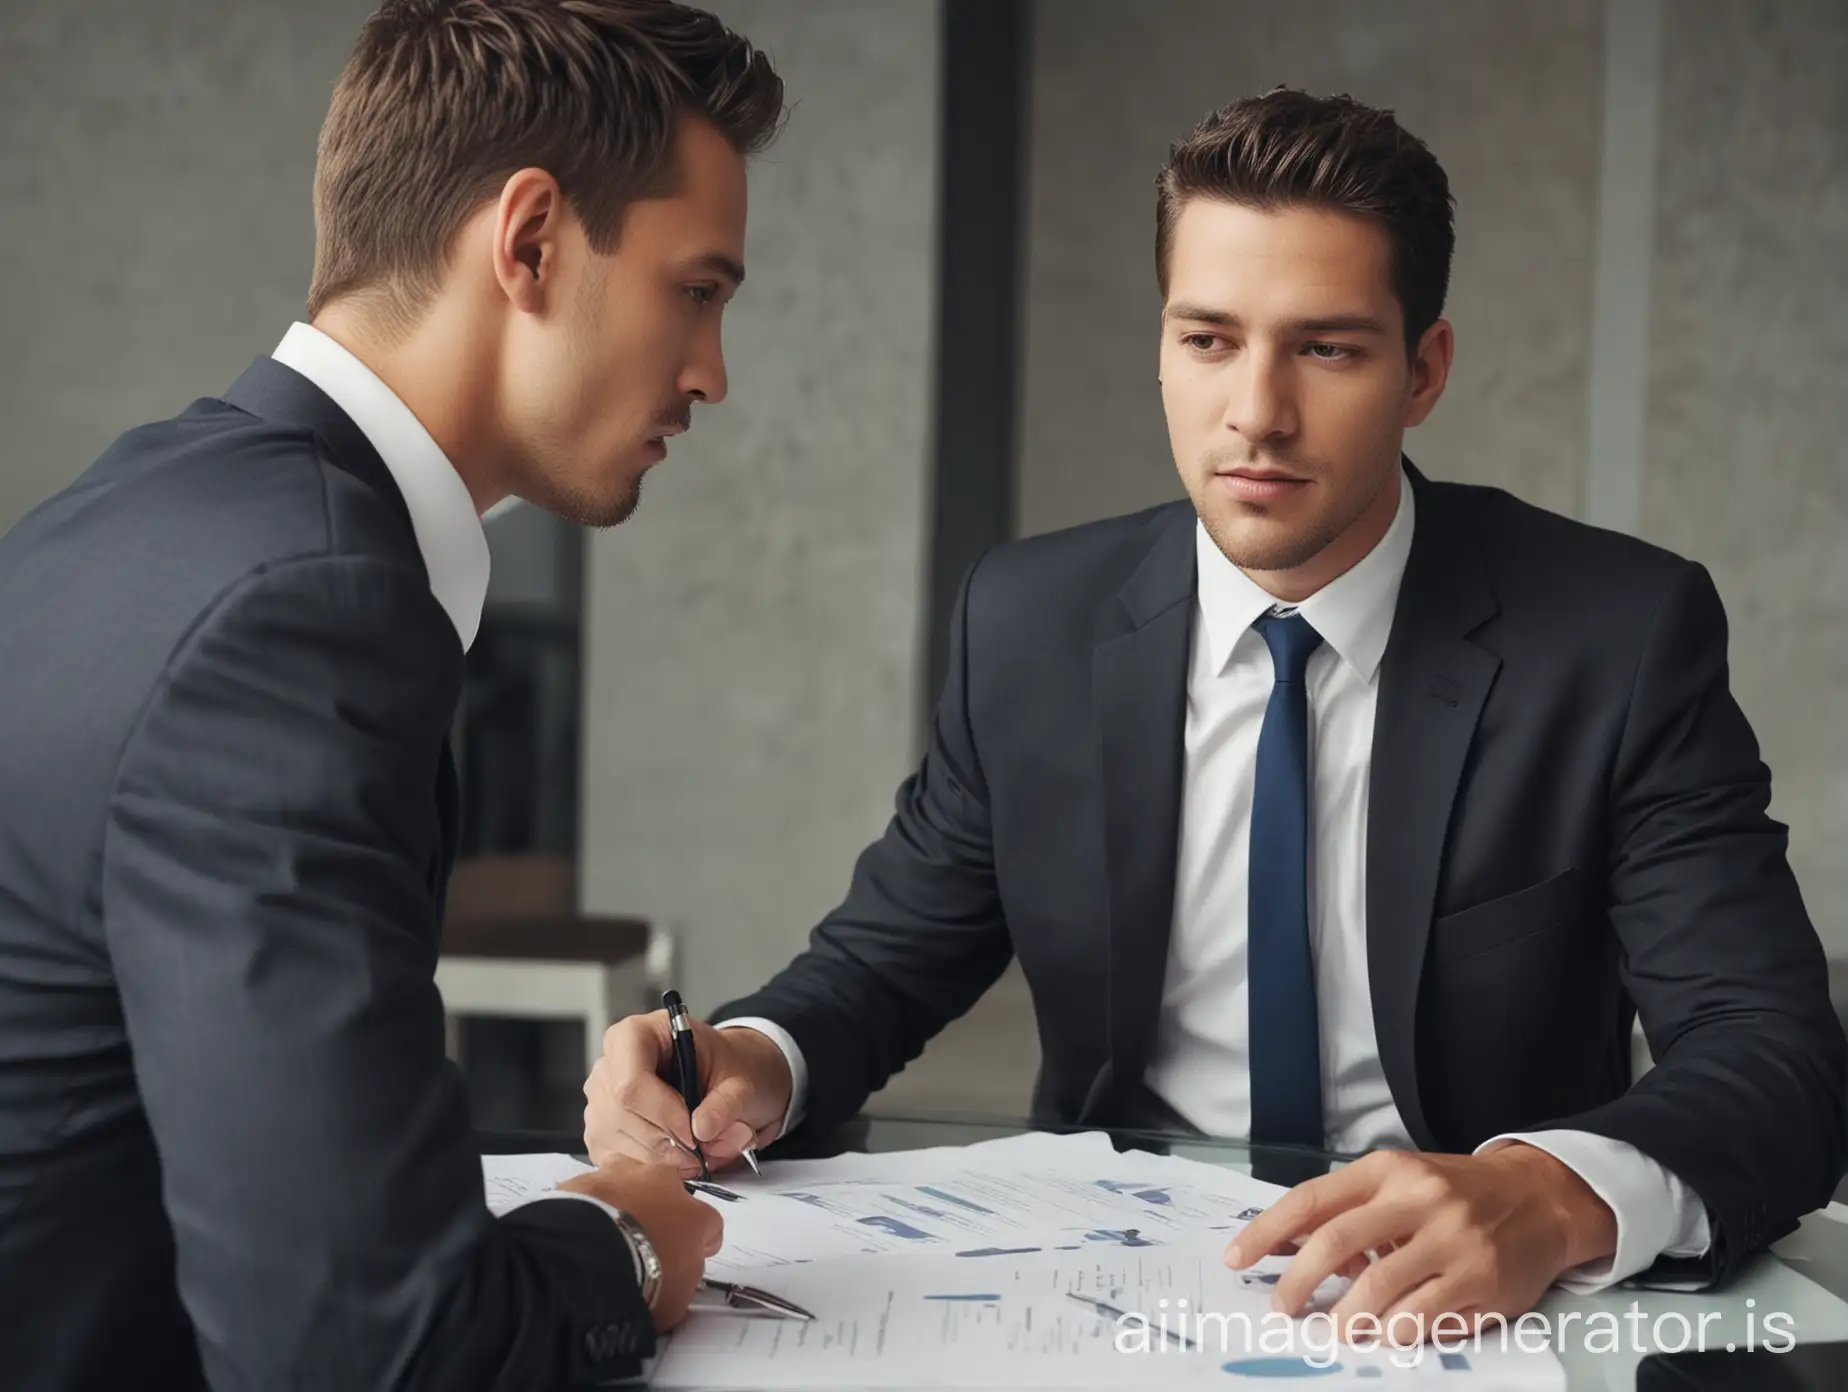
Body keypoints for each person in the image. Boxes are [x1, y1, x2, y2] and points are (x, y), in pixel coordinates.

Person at [585, 89, 1846, 1337]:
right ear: (1162, 347)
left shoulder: (1614, 637)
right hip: (1102, 1290)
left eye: (1329, 347)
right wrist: (751, 1059)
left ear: (1426, 370)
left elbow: (1775, 1059)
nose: (1257, 413)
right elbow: (884, 960)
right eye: (1208, 340)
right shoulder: (1030, 621)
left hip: (1471, 1306)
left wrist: (1548, 1191)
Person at [0, 2, 783, 1387]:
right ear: (529, 240)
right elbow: (363, 1348)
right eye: (698, 291)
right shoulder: (307, 611)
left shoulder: (129, 507)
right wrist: (623, 1243)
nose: (711, 374)